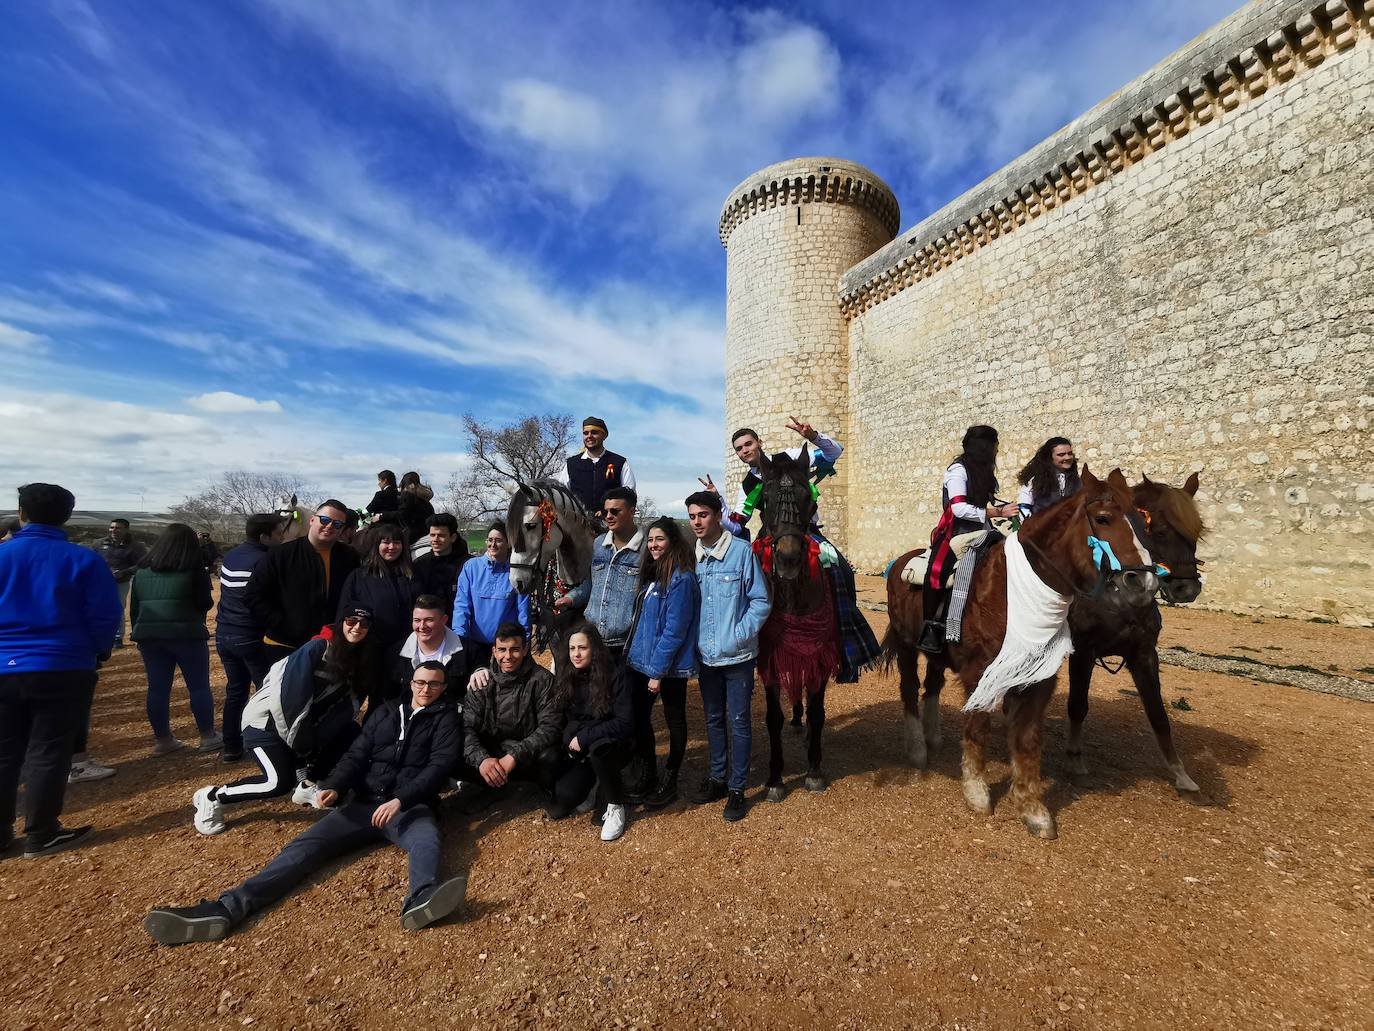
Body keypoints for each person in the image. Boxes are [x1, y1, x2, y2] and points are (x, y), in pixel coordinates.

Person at [144, 660, 466, 943]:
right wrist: (336, 787)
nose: (426, 688)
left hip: (409, 808)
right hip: (363, 804)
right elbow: (356, 755)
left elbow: (438, 769)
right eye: (421, 682)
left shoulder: (447, 719)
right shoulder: (384, 713)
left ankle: (421, 898)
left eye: (434, 684)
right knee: (303, 846)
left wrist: (399, 801)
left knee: (427, 840)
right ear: (410, 683)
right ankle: (227, 908)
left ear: (443, 687)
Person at [0, 483, 122, 858]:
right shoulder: (82, 560)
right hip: (64, 664)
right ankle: (41, 832)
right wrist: (97, 652)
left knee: (4, 753)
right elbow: (105, 616)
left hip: (4, 664)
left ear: (21, 513)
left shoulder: (3, 555)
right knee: (49, 751)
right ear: (66, 516)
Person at [711, 417, 881, 684]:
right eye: (739, 448)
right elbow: (736, 525)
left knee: (842, 570)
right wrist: (717, 502)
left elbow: (834, 453)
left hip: (808, 533)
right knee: (744, 581)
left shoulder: (789, 458)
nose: (744, 451)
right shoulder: (748, 486)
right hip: (771, 539)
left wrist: (812, 435)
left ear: (759, 443)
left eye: (748, 444)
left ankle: (846, 642)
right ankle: (746, 649)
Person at [189, 608, 376, 835]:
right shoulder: (317, 648)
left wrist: (316, 738)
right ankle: (212, 796)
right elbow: (289, 699)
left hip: (298, 726)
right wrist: (303, 744)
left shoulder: (358, 657)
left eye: (364, 625)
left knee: (350, 732)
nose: (356, 627)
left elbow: (348, 706)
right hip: (265, 723)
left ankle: (306, 784)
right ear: (341, 622)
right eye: (351, 621)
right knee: (276, 783)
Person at [685, 490, 771, 823]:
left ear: (717, 514)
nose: (697, 522)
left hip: (736, 656)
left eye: (702, 515)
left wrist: (739, 634)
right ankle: (718, 778)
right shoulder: (691, 556)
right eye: (692, 516)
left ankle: (737, 788)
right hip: (706, 657)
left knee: (739, 720)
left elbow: (760, 600)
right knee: (713, 720)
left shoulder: (739, 552)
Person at [919, 425, 1019, 653]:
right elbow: (959, 509)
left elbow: (989, 503)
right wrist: (996, 513)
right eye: (993, 446)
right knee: (936, 572)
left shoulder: (985, 472)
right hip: (956, 533)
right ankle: (932, 627)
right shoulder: (958, 471)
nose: (995, 451)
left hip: (984, 530)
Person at [623, 517, 699, 809]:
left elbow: (675, 629)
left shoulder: (681, 578)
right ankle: (650, 772)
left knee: (675, 719)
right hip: (642, 662)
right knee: (639, 717)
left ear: (673, 542)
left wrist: (657, 672)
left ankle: (671, 777)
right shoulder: (654, 575)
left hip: (668, 668)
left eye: (660, 540)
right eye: (651, 540)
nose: (654, 545)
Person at [131, 523, 220, 755]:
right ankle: (207, 736)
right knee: (198, 686)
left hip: (150, 636)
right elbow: (205, 603)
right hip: (186, 634)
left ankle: (163, 739)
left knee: (157, 689)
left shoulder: (142, 572)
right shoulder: (194, 570)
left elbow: (135, 608)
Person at [245, 499, 361, 666]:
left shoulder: (350, 557)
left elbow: (355, 595)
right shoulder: (279, 555)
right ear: (312, 520)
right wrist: (283, 624)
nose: (329, 526)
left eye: (337, 524)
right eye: (325, 520)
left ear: (342, 529)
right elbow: (253, 596)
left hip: (330, 645)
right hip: (284, 646)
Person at [459, 622, 562, 810]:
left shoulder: (542, 680)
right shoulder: (482, 682)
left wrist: (514, 755)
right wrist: (482, 759)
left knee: (552, 757)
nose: (508, 656)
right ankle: (492, 784)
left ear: (524, 650)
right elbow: (467, 726)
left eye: (515, 649)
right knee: (455, 746)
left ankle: (538, 788)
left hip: (526, 755)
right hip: (492, 752)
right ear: (494, 651)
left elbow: (550, 727)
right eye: (502, 650)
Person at [546, 623, 633, 841]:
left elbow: (624, 722)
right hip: (581, 749)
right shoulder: (568, 675)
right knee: (561, 802)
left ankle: (616, 805)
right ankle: (594, 783)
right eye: (572, 648)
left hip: (614, 744)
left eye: (582, 648)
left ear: (594, 648)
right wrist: (571, 738)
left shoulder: (615, 674)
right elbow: (566, 716)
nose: (576, 654)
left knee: (599, 749)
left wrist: (584, 737)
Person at [215, 513, 285, 762]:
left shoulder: (232, 555)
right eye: (278, 533)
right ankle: (267, 744)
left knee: (236, 691)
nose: (282, 537)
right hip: (251, 634)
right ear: (264, 536)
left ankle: (232, 745)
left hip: (225, 633)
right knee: (267, 692)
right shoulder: (265, 560)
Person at [559, 487, 643, 659]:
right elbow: (592, 583)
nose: (608, 516)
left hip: (627, 645)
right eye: (605, 511)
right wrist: (572, 597)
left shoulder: (646, 549)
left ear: (632, 511)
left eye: (615, 511)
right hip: (593, 641)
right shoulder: (598, 544)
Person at [336, 522, 419, 665]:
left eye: (397, 542)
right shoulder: (359, 576)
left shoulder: (414, 575)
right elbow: (343, 613)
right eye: (386, 542)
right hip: (369, 651)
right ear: (377, 545)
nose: (392, 547)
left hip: (408, 649)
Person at [452, 523, 529, 671]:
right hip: (475, 645)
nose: (493, 544)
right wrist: (460, 640)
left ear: (508, 543)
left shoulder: (517, 572)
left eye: (498, 540)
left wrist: (524, 644)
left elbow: (523, 613)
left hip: (506, 648)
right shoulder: (471, 567)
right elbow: (462, 607)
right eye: (489, 539)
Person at [391, 595, 467, 704]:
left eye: (429, 620)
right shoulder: (395, 654)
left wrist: (480, 669)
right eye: (417, 620)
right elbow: (386, 699)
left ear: (444, 620)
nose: (422, 626)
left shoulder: (468, 652)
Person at [559, 416, 637, 517]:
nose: (589, 436)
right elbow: (561, 494)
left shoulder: (619, 462)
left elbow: (629, 494)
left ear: (604, 435)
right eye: (585, 433)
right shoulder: (571, 464)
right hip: (578, 525)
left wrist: (608, 511)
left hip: (610, 523)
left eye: (594, 432)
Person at [95, 517, 147, 649]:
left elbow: (142, 564)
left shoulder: (136, 546)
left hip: (120, 582)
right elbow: (90, 560)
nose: (114, 530)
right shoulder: (99, 543)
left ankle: (117, 637)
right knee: (97, 608)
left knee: (117, 608)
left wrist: (124, 571)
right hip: (98, 582)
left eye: (118, 528)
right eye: (112, 527)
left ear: (126, 529)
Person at [412, 513, 469, 620]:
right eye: (432, 535)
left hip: (460, 625)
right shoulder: (419, 565)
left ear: (453, 537)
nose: (435, 539)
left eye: (441, 535)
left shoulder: (468, 565)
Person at [1017, 436, 1081, 519]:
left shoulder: (1078, 482)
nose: (1067, 457)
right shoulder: (1035, 481)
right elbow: (1024, 507)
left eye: (1069, 453)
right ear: (1050, 457)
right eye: (1061, 455)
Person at [395, 472, 435, 547]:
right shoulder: (425, 500)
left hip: (413, 532)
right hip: (427, 530)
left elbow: (402, 515)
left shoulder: (407, 496)